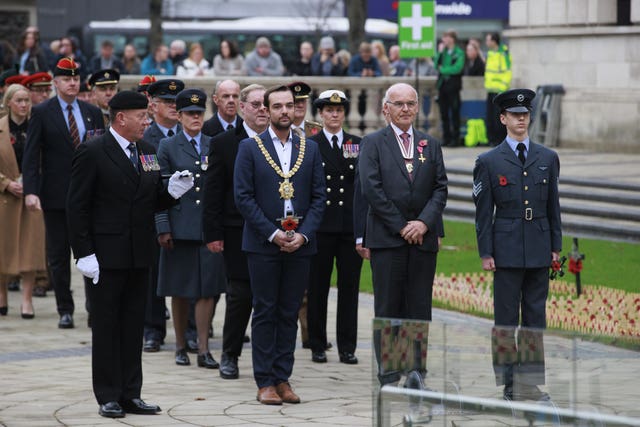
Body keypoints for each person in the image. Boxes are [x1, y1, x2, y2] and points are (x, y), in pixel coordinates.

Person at [66, 90, 193, 418]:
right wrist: (83, 253)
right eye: (142, 116)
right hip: (105, 256)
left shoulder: (147, 151)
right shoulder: (93, 151)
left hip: (139, 254)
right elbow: (76, 207)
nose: (147, 122)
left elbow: (150, 198)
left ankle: (130, 393)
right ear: (121, 118)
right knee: (107, 326)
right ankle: (107, 394)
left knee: (133, 325)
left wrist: (171, 192)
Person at [233, 85, 326, 405]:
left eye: (290, 105)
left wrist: (304, 234)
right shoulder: (249, 147)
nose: (285, 111)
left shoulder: (309, 148)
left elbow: (318, 198)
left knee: (289, 310)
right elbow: (243, 198)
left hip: (300, 244)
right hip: (263, 244)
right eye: (277, 106)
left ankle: (283, 377)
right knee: (265, 310)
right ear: (267, 111)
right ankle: (265, 381)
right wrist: (273, 235)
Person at [472, 88, 561, 402]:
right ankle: (510, 383)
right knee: (506, 319)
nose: (520, 120)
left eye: (525, 115)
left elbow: (553, 207)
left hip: (538, 246)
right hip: (506, 248)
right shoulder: (489, 161)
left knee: (535, 319)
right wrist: (486, 251)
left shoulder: (548, 158)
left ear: (530, 118)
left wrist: (555, 247)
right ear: (503, 119)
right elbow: (483, 213)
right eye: (514, 115)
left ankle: (531, 382)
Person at [22, 58, 105, 329]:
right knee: (58, 256)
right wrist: (31, 192)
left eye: (76, 78)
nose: (72, 83)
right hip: (56, 195)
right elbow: (32, 156)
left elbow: (100, 153)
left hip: (89, 196)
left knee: (90, 253)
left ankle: (94, 308)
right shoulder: (43, 112)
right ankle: (64, 309)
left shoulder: (91, 111)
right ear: (56, 83)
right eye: (67, 79)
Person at [358, 82, 447, 321]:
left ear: (417, 107)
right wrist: (401, 226)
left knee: (419, 311)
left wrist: (423, 223)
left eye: (410, 103)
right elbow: (372, 189)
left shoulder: (431, 144)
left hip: (423, 242)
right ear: (386, 109)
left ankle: (416, 360)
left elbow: (440, 188)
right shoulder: (372, 143)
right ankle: (388, 360)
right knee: (389, 311)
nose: (405, 108)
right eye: (399, 104)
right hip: (387, 240)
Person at [202, 83, 269, 379]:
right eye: (256, 104)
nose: (263, 110)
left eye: (267, 104)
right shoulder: (225, 143)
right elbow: (213, 192)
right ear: (242, 108)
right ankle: (230, 354)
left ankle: (269, 357)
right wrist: (212, 233)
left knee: (271, 297)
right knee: (240, 295)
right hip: (237, 230)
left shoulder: (285, 140)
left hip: (277, 232)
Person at [155, 88, 225, 370]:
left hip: (208, 227)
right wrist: (163, 227)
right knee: (180, 289)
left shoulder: (214, 143)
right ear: (180, 116)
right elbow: (159, 190)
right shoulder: (168, 147)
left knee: (208, 289)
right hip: (180, 225)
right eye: (189, 114)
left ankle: (204, 348)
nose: (195, 118)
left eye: (199, 113)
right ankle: (181, 345)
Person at [307, 89, 363, 365]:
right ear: (320, 113)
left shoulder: (357, 144)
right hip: (321, 226)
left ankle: (347, 346)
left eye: (339, 110)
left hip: (349, 226)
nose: (334, 114)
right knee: (318, 287)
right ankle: (317, 343)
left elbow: (362, 188)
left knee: (349, 288)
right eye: (329, 110)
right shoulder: (311, 144)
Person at [141, 78, 185, 353]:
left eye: (176, 102)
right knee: (153, 276)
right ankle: (153, 329)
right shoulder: (146, 139)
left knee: (188, 274)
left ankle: (189, 329)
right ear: (153, 105)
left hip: (185, 216)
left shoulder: (190, 134)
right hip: (154, 214)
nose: (173, 107)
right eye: (167, 102)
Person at [0, 83, 46, 319]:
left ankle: (27, 300)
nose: (24, 104)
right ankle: (2, 296)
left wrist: (31, 183)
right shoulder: (0, 128)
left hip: (32, 195)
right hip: (5, 196)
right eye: (19, 100)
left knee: (31, 250)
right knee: (3, 249)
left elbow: (45, 160)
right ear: (8, 102)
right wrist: (6, 183)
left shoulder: (37, 126)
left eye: (27, 100)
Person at [286, 81, 322, 347]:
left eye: (302, 104)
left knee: (312, 285)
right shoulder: (273, 132)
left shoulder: (315, 132)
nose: (298, 109)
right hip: (285, 211)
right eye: (294, 104)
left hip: (311, 214)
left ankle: (310, 333)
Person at [434, 29, 465, 147]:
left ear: (452, 39)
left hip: (453, 86)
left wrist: (443, 70)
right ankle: (446, 137)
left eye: (446, 37)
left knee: (455, 112)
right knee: (444, 113)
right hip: (443, 85)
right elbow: (436, 64)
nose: (444, 40)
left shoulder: (459, 52)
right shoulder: (444, 52)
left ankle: (455, 138)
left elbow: (457, 68)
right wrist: (440, 53)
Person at [484, 32, 512, 146]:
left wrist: (502, 88)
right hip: (490, 90)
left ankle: (499, 140)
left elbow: (507, 72)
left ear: (493, 41)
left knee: (498, 118)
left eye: (488, 40)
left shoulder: (503, 53)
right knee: (489, 117)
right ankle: (491, 140)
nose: (486, 42)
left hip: (499, 91)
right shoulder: (490, 53)